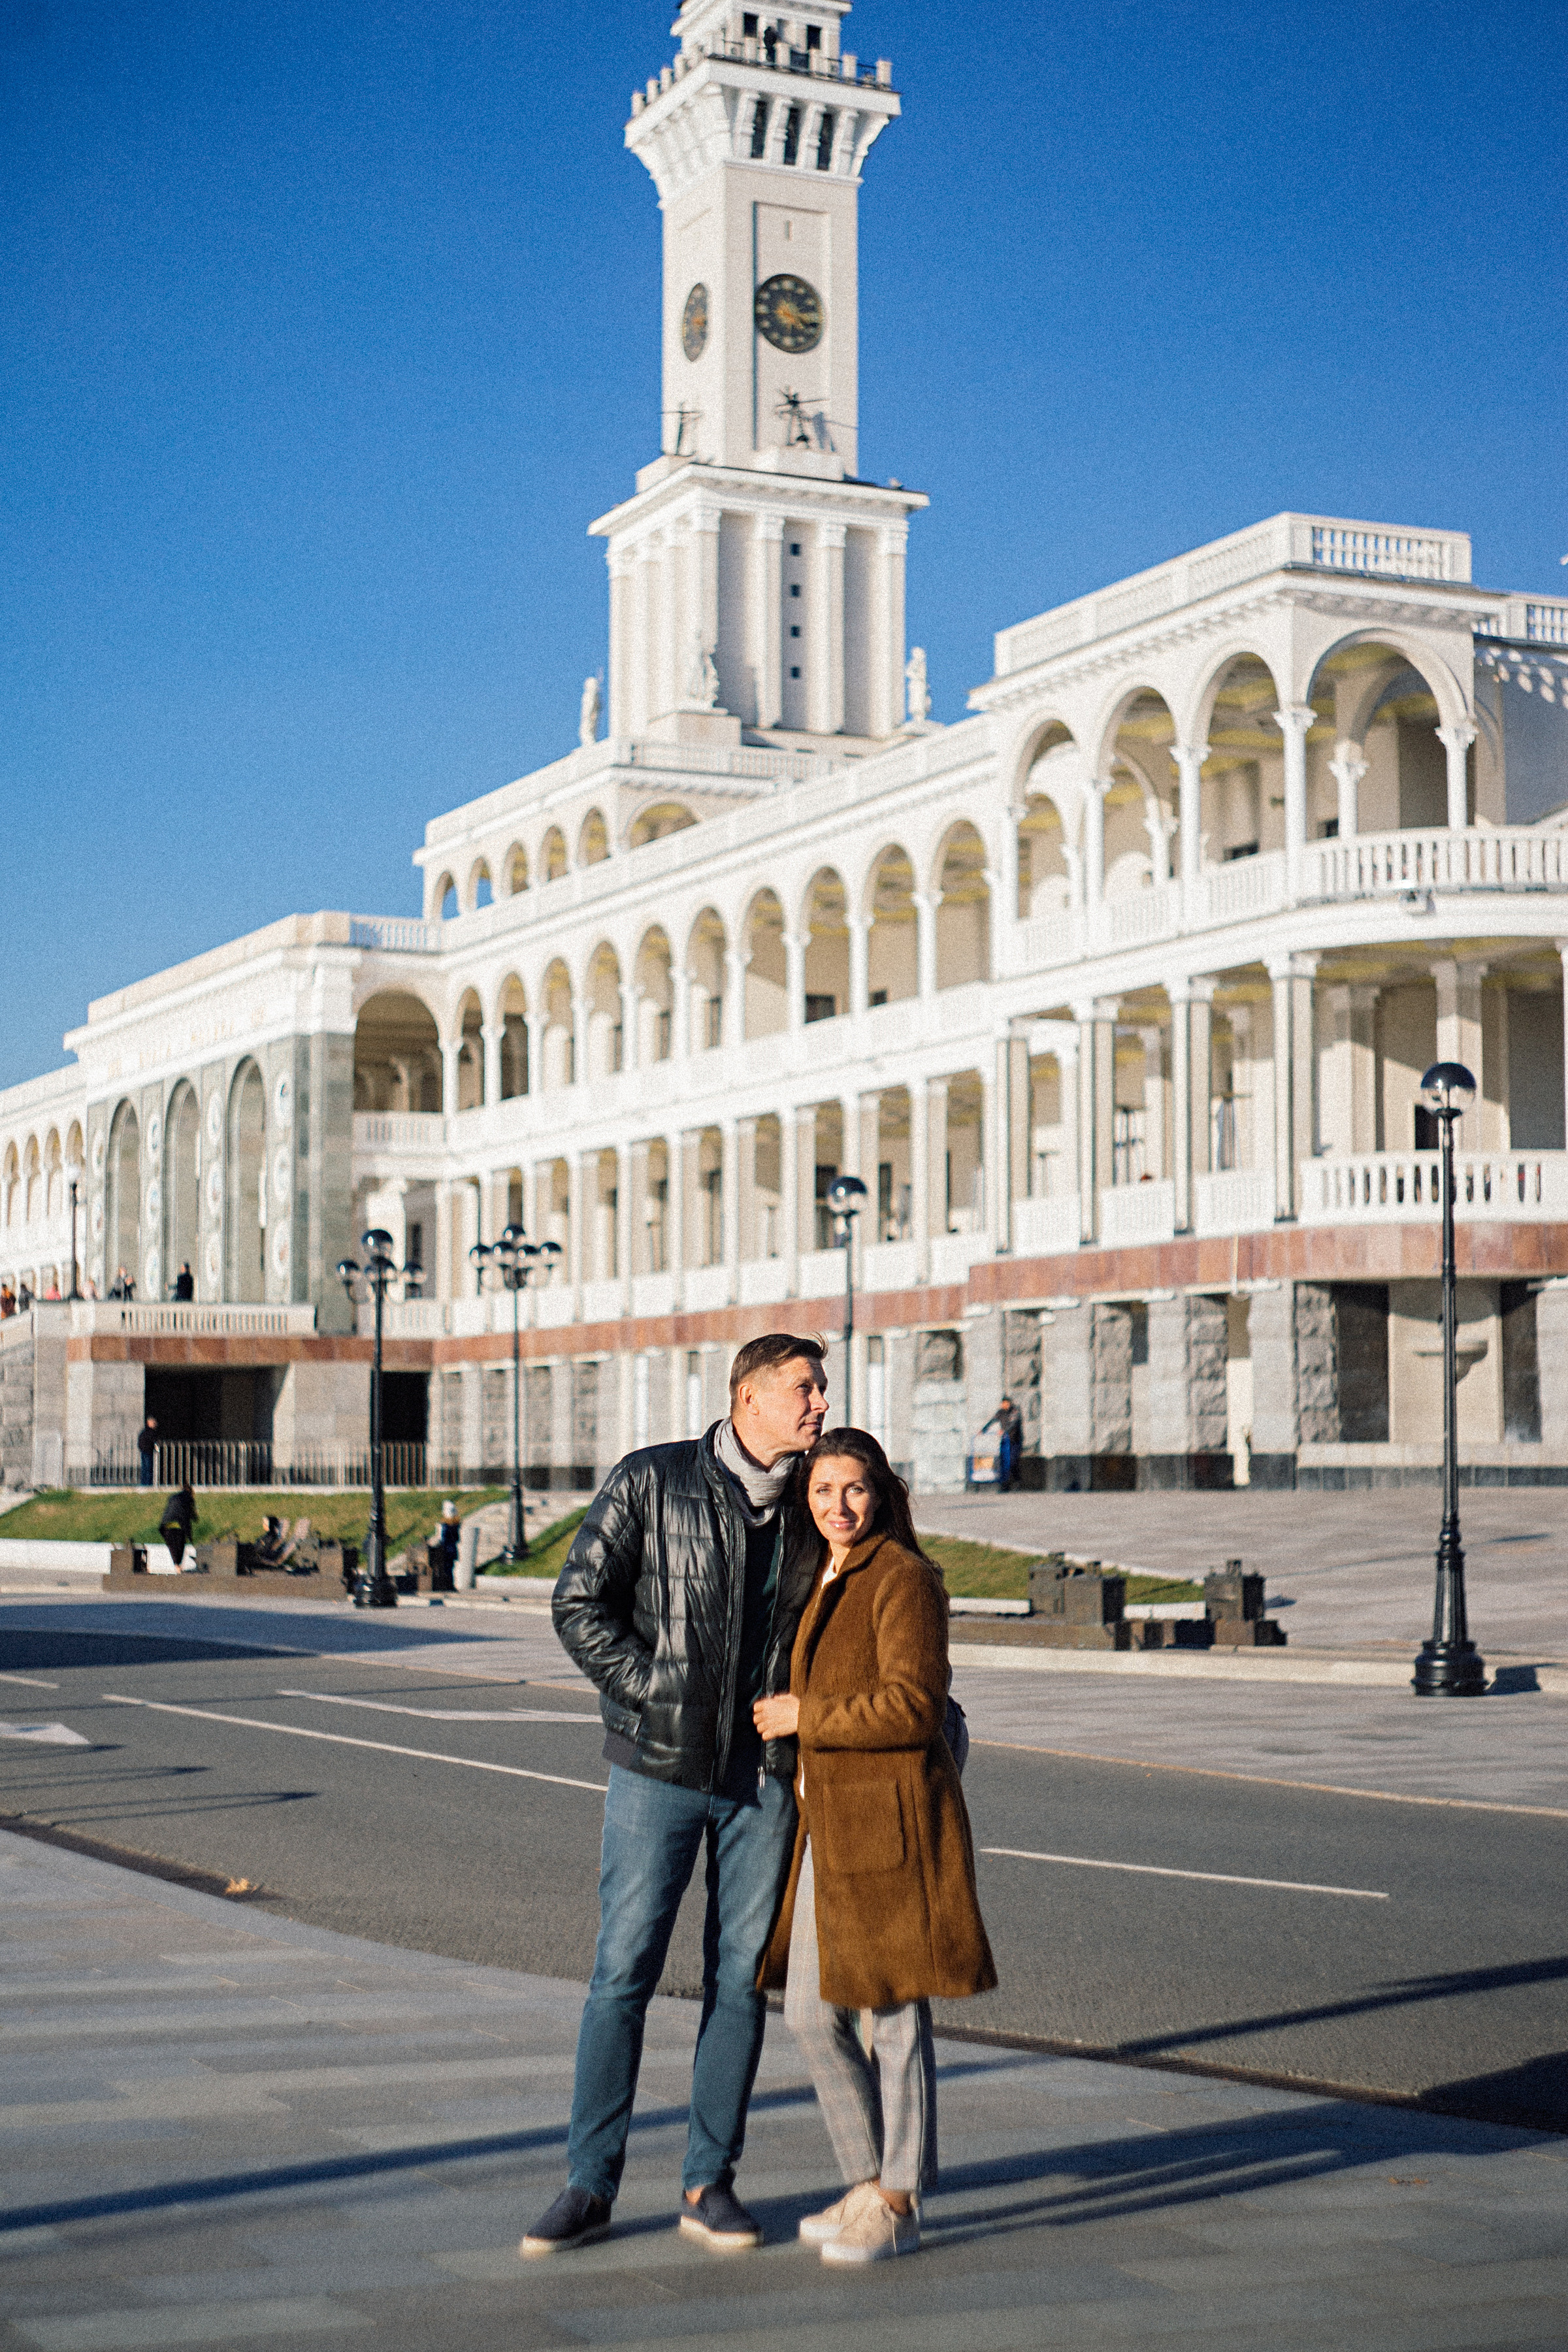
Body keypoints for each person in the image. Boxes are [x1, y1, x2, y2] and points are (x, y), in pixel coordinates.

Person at [523, 1332, 828, 2259]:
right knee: (623, 1971)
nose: (818, 1404)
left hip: (766, 1780)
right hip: (655, 1768)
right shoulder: (653, 1481)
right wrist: (654, 1690)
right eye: (802, 1389)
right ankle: (589, 2183)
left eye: (822, 1389)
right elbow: (579, 1604)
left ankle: (709, 2182)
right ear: (747, 1399)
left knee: (738, 1982)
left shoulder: (823, 1507)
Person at [755, 1428, 996, 2266]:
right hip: (831, 1829)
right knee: (810, 2012)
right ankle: (866, 2180)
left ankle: (897, 2199)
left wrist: (803, 1717)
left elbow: (913, 1708)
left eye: (853, 1490)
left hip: (890, 1825)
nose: (838, 1507)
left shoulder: (904, 1578)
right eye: (822, 1493)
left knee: (892, 2013)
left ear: (882, 1492)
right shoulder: (824, 1573)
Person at [158, 1482, 197, 1568]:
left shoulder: (173, 1497)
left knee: (173, 1548)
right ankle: (179, 1568)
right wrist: (190, 1538)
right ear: (191, 1492)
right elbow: (191, 1516)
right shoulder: (189, 1498)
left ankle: (177, 1567)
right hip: (178, 1526)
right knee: (180, 1547)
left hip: (165, 1527)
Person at [137, 1415, 158, 1487]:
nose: (155, 1424)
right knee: (148, 1469)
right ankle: (148, 1484)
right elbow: (153, 1441)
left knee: (145, 1469)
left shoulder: (144, 1432)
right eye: (153, 1423)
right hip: (148, 1452)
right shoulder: (150, 1432)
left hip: (145, 1451)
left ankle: (145, 1483)